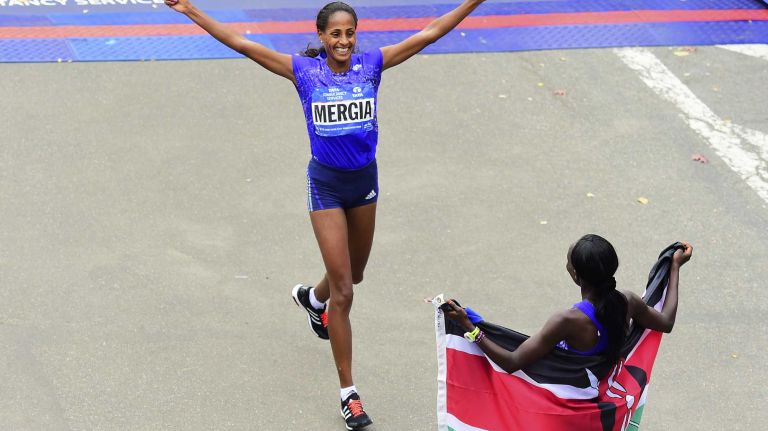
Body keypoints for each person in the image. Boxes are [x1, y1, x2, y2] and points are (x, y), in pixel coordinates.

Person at [164, 0, 488, 428]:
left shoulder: (371, 66)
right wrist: (191, 11)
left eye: (349, 33)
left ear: (357, 35)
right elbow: (239, 43)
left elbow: (429, 33)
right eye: (335, 34)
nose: (343, 41)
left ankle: (313, 301)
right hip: (327, 188)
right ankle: (348, 394)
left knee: (353, 274)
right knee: (346, 293)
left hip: (365, 184)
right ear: (322, 36)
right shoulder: (303, 72)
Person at [444, 234, 693, 374]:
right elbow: (666, 322)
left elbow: (512, 362)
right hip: (602, 400)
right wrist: (674, 267)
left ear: (576, 275)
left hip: (570, 406)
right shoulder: (627, 301)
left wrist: (469, 327)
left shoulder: (568, 321)